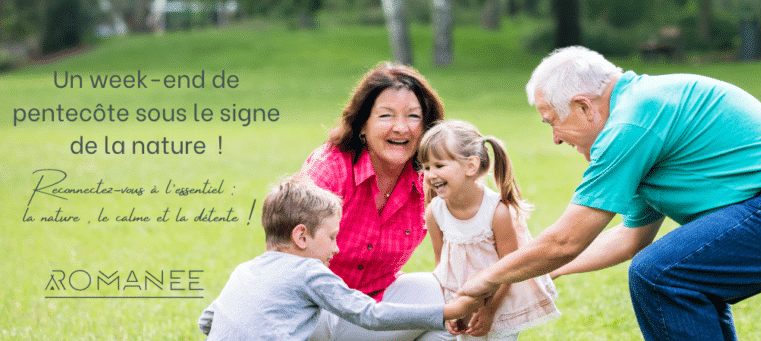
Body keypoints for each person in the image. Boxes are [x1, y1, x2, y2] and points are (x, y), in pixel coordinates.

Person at [456, 46, 761, 341]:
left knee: (661, 274)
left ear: (584, 106)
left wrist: (480, 282)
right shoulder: (641, 113)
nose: (555, 140)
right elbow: (630, 236)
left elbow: (567, 240)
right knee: (681, 279)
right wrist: (536, 272)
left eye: (553, 121)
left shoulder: (631, 124)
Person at [197, 175, 483, 340]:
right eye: (332, 236)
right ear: (301, 236)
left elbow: (206, 321)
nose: (336, 248)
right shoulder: (308, 271)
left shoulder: (245, 270)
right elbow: (369, 314)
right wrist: (449, 311)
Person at [300, 62, 450, 340]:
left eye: (414, 117)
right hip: (313, 312)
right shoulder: (330, 167)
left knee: (446, 297)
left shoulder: (430, 179)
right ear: (362, 126)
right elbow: (291, 260)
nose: (401, 128)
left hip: (371, 310)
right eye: (385, 116)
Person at [418, 120, 561, 341]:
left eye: (439, 165)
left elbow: (510, 266)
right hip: (461, 299)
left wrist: (489, 311)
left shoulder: (496, 212)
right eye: (426, 167)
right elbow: (441, 263)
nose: (430, 174)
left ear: (471, 166)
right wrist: (450, 307)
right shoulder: (434, 213)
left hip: (499, 299)